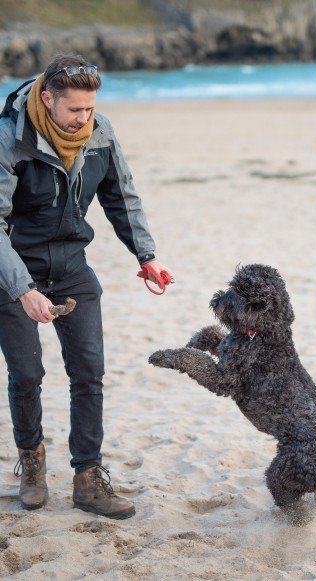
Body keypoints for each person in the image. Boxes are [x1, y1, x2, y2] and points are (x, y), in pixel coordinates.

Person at [0, 54, 170, 519]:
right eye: (75, 109)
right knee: (27, 375)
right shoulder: (10, 139)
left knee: (89, 373)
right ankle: (32, 465)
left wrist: (146, 256)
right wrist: (21, 290)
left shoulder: (100, 132)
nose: (84, 118)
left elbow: (121, 195)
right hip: (14, 271)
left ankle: (88, 478)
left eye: (90, 108)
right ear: (48, 98)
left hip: (72, 268)